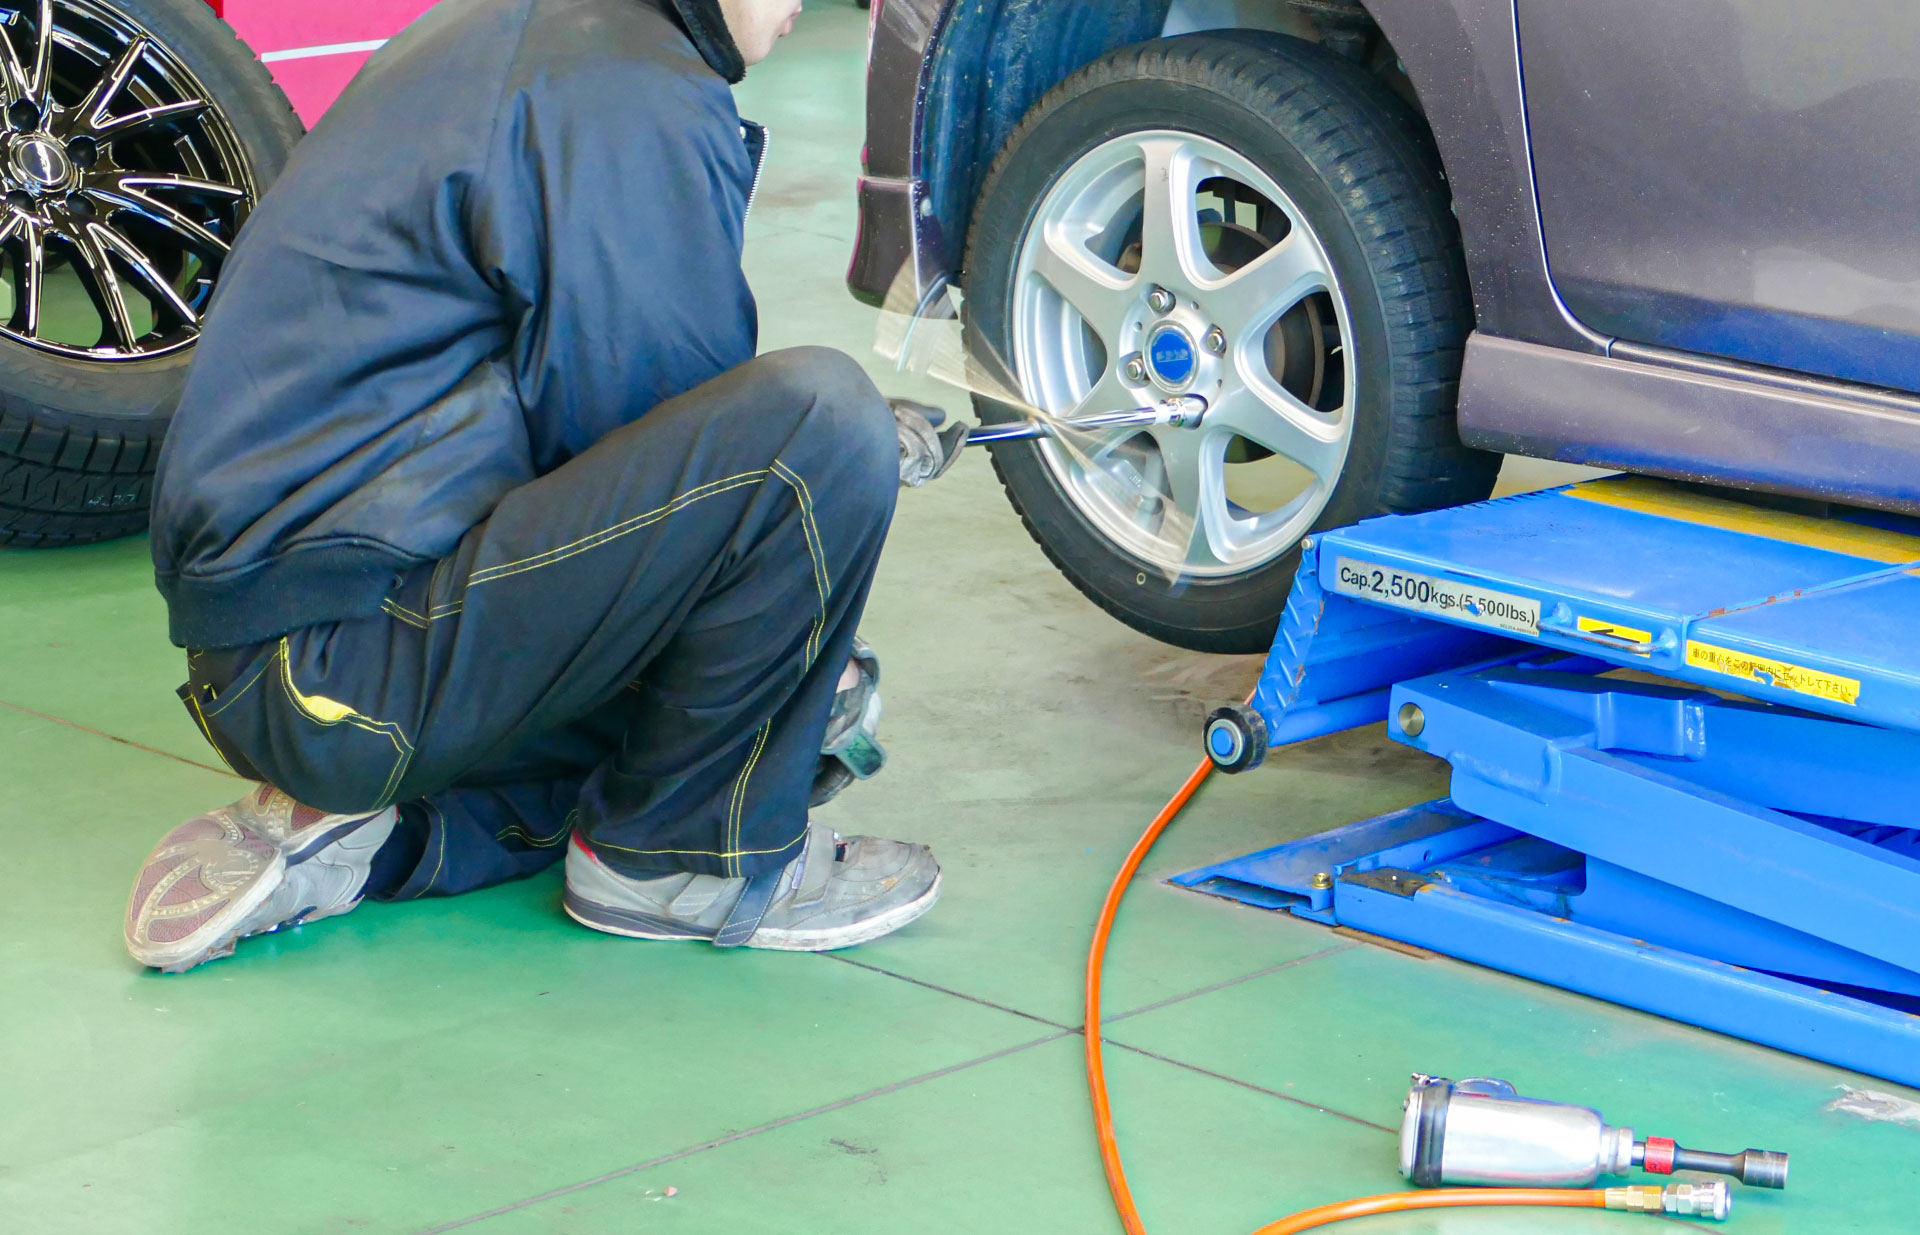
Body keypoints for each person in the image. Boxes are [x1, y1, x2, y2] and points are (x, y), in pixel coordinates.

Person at [123, 0, 944, 973]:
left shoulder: (544, 33)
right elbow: (653, 431)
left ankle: (375, 835)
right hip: (342, 654)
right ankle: (682, 859)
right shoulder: (624, 82)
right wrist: (798, 654)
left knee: (739, 694)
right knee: (823, 422)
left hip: (293, 661)